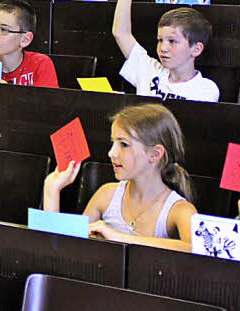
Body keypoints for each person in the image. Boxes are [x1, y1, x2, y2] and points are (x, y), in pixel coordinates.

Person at [43, 104, 196, 251]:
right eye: (113, 142)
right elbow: (62, 247)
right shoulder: (106, 194)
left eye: (124, 144)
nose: (112, 153)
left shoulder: (180, 210)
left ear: (155, 154)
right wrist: (51, 190)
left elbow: (195, 250)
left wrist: (119, 238)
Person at [113, 0, 219, 102]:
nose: (163, 48)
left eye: (172, 41)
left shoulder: (205, 89)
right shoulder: (149, 69)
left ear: (196, 49)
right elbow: (121, 33)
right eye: (160, 40)